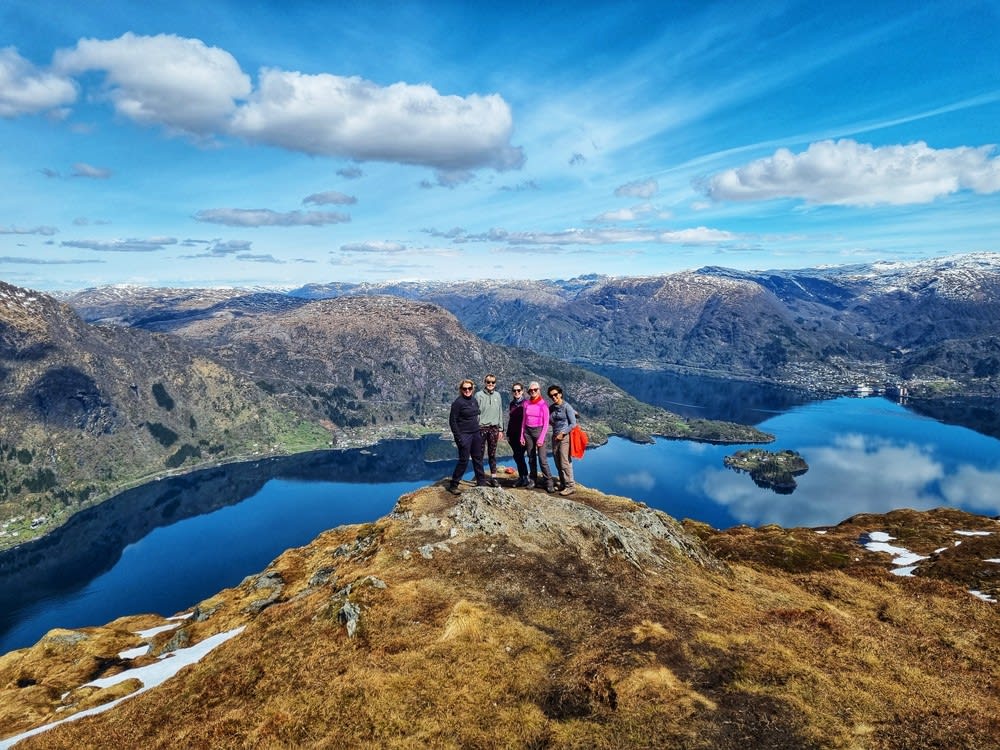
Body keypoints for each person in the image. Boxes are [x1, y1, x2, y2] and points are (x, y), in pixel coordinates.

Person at [447, 378, 492, 494]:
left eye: (469, 388)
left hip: (476, 434)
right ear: (461, 390)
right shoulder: (458, 403)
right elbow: (453, 422)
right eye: (465, 388)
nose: (467, 390)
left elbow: (476, 415)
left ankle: (481, 482)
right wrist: (458, 437)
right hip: (464, 435)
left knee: (478, 458)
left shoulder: (473, 400)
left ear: (473, 389)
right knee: (464, 460)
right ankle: (454, 485)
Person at [520, 381, 554, 492]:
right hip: (528, 432)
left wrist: (541, 438)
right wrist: (522, 435)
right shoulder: (526, 404)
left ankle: (549, 482)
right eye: (531, 390)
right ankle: (533, 480)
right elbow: (524, 420)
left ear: (539, 390)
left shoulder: (543, 405)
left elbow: (546, 424)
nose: (533, 392)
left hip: (539, 431)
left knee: (542, 459)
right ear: (529, 391)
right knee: (531, 458)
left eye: (535, 390)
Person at [547, 384, 578, 496]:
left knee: (565, 461)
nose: (554, 397)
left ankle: (570, 486)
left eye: (555, 395)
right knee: (557, 461)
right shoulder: (552, 408)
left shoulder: (567, 407)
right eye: (551, 396)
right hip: (555, 437)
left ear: (560, 394)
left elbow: (573, 424)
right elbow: (547, 416)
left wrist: (563, 433)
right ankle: (563, 483)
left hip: (564, 438)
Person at [475, 374, 503, 478]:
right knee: (480, 454)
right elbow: (476, 413)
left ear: (495, 384)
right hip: (481, 428)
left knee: (492, 454)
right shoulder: (478, 395)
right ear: (485, 382)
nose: (490, 384)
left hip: (494, 428)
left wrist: (501, 429)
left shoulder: (498, 395)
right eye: (488, 382)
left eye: (493, 382)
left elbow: (500, 412)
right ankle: (480, 477)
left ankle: (493, 477)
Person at [506, 381, 529, 485]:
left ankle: (525, 478)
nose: (516, 392)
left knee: (520, 455)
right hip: (513, 435)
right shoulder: (512, 404)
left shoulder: (526, 404)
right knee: (517, 456)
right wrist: (508, 433)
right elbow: (511, 420)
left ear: (522, 391)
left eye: (518, 390)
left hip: (522, 435)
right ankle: (522, 477)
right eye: (514, 390)